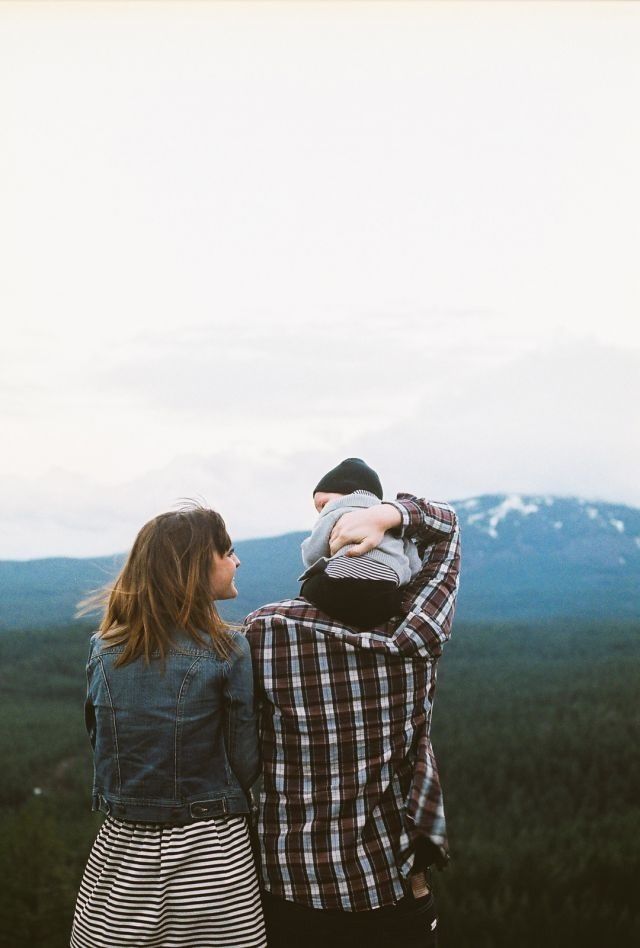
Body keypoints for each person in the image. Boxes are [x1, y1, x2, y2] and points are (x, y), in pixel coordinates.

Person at [244, 488, 461, 948]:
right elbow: (448, 531)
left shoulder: (267, 628)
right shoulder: (417, 637)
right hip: (384, 887)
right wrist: (389, 515)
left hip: (286, 885)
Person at [70, 505, 266, 948]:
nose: (236, 561)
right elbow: (246, 764)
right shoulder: (228, 648)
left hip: (120, 857)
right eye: (228, 551)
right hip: (213, 859)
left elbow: (99, 743)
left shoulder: (102, 649)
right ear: (195, 564)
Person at [300, 457, 422, 628]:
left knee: (309, 587)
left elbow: (313, 554)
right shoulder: (393, 520)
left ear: (344, 492)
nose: (321, 512)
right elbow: (415, 565)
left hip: (339, 589)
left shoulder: (337, 511)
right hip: (385, 601)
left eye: (322, 504)